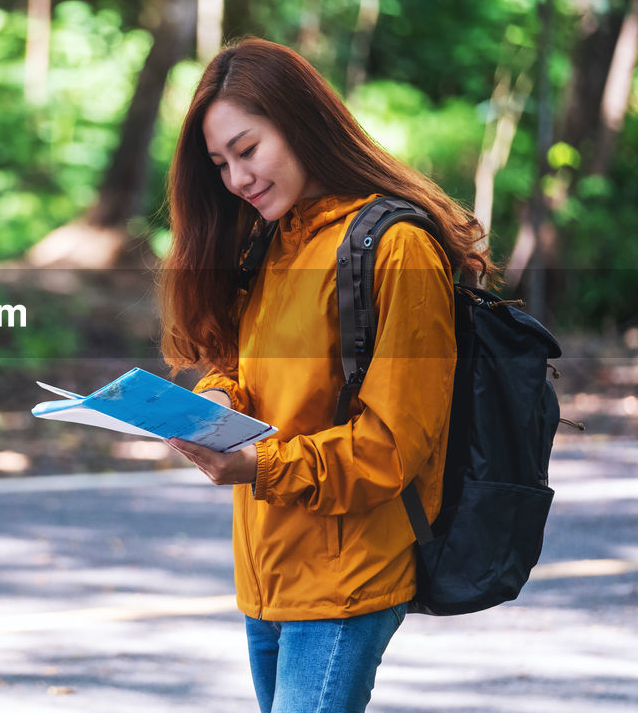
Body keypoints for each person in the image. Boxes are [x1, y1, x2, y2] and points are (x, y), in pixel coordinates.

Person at [158, 37, 495, 713]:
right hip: (268, 574)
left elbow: (394, 448)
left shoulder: (397, 250)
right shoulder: (273, 240)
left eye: (247, 150)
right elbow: (244, 367)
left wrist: (261, 466)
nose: (236, 180)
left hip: (346, 579)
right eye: (221, 163)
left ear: (301, 122)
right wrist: (214, 401)